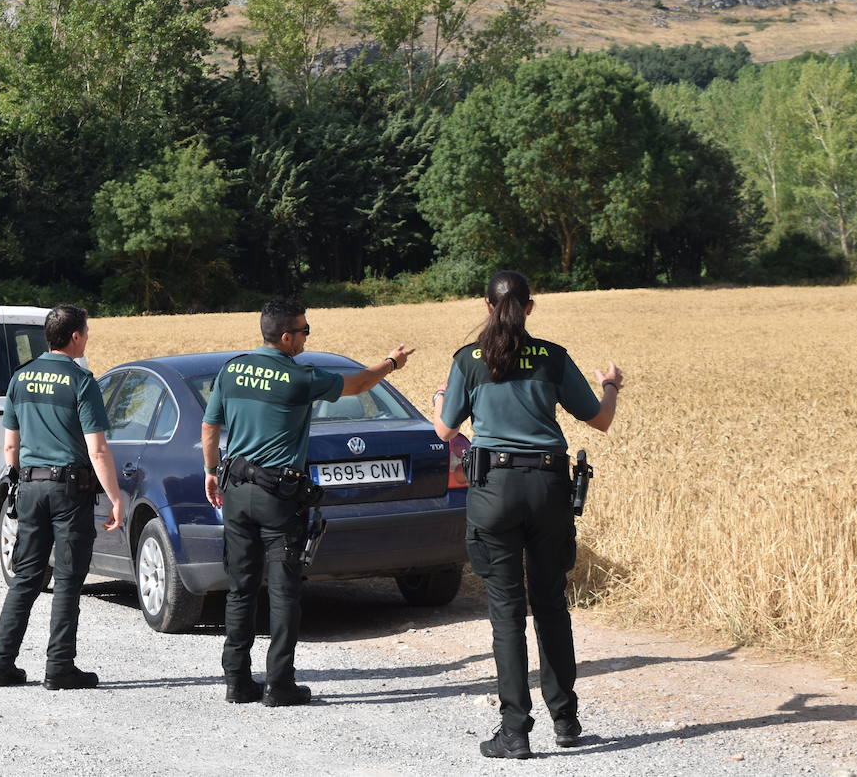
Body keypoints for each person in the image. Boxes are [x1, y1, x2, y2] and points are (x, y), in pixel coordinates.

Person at [432, 271, 622, 759]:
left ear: (487, 306)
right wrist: (611, 387)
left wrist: (438, 401)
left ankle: (514, 731)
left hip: (494, 489)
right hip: (547, 488)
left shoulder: (469, 359)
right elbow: (599, 421)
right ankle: (566, 718)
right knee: (551, 604)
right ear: (529, 308)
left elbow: (445, 429)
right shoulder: (552, 357)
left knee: (506, 612)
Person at [202, 298, 414, 706]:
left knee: (241, 588)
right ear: (285, 336)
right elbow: (359, 384)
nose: (307, 336)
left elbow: (210, 426)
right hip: (277, 498)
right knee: (283, 591)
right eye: (304, 330)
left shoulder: (231, 370)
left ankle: (236, 681)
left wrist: (211, 472)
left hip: (236, 491)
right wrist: (391, 362)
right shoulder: (298, 378)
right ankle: (279, 684)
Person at [0, 304, 124, 690]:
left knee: (25, 578)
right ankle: (59, 667)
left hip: (29, 487)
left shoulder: (20, 378)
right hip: (70, 490)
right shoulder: (82, 382)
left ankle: (1, 665)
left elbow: (10, 446)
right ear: (76, 336)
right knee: (67, 579)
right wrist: (115, 498)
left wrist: (18, 482)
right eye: (87, 331)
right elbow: (97, 450)